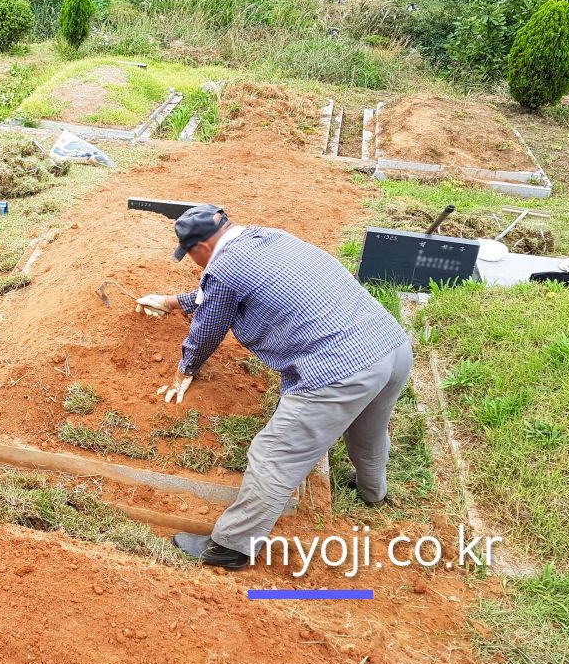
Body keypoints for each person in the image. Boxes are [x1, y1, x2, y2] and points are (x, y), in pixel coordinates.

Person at [136, 204, 412, 569]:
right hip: (388, 346)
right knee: (368, 427)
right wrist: (172, 303)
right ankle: (372, 492)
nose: (194, 265)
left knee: (273, 456)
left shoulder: (223, 268)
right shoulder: (270, 238)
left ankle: (230, 547)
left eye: (190, 257)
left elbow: (209, 328)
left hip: (339, 368)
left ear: (201, 248)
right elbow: (227, 293)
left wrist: (185, 369)